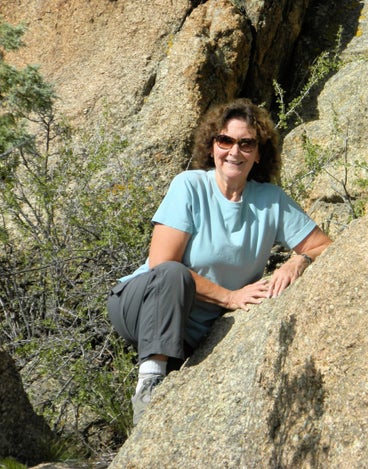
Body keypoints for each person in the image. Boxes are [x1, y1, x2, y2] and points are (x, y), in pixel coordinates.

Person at [107, 98, 332, 425]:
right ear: (211, 145)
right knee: (173, 273)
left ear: (259, 153)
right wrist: (229, 297)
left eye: (246, 144)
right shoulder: (189, 186)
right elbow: (159, 265)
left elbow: (324, 246)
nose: (234, 152)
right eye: (225, 140)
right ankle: (148, 387)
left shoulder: (271, 201)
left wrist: (298, 261)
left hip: (189, 331)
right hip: (141, 305)